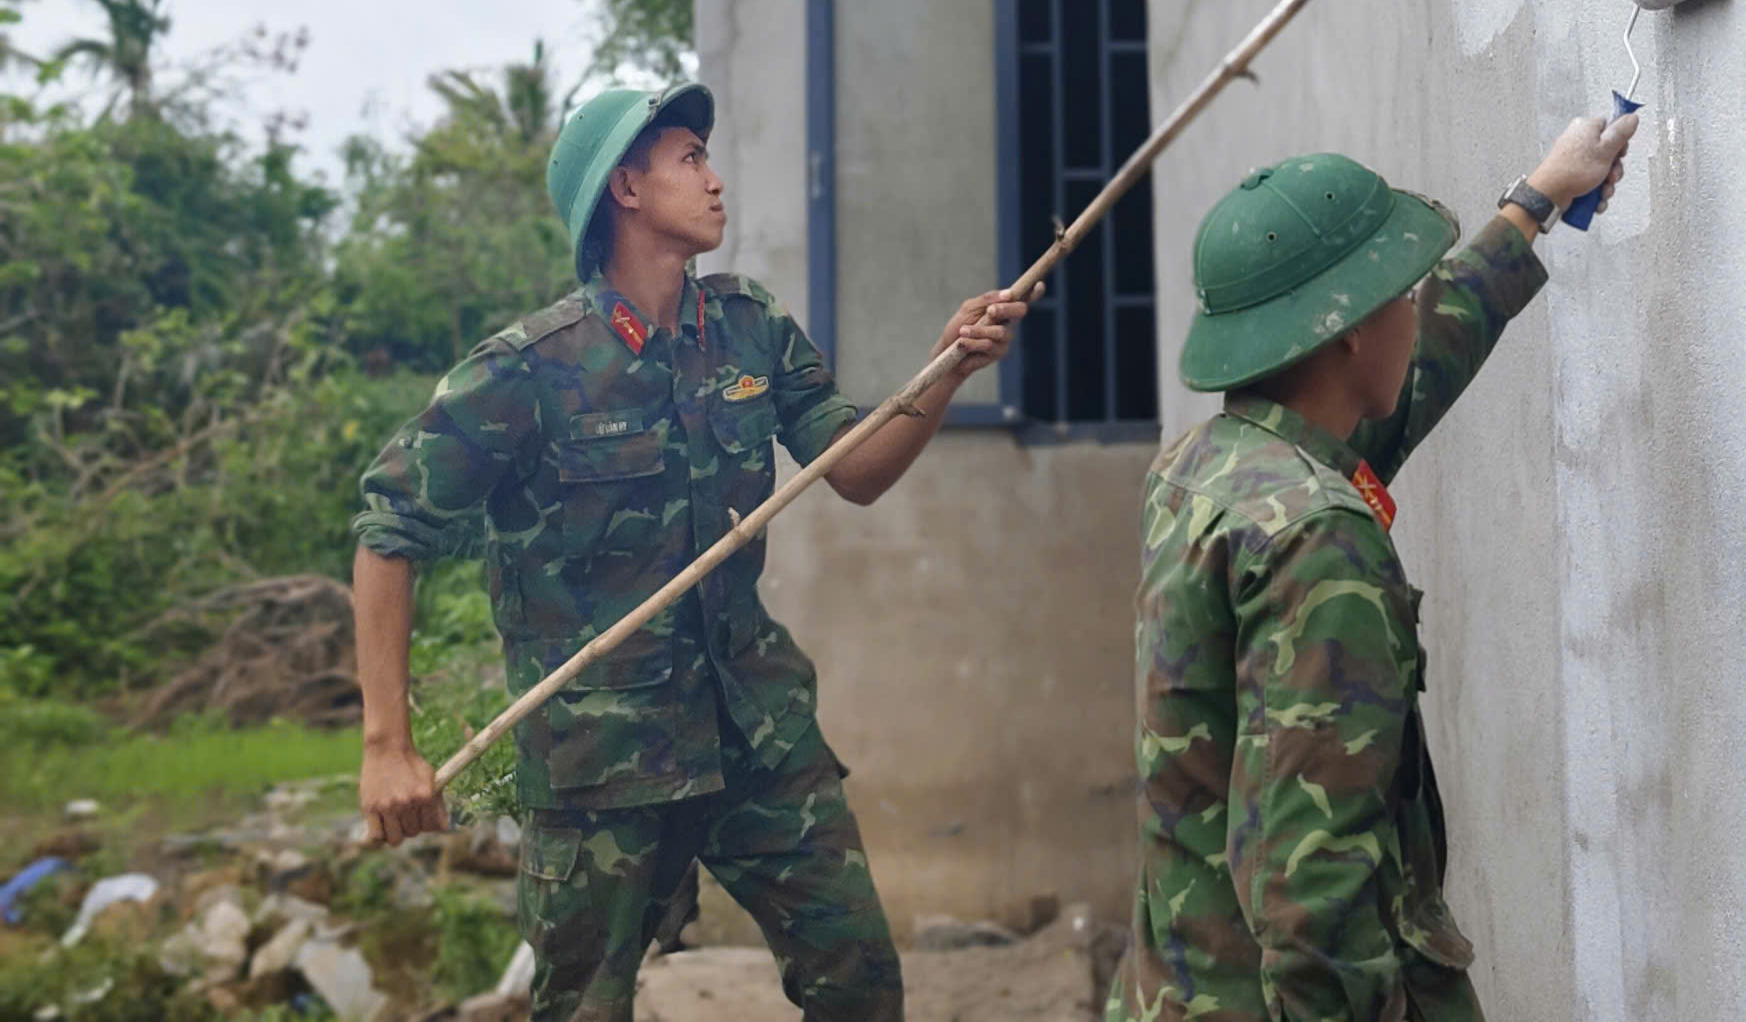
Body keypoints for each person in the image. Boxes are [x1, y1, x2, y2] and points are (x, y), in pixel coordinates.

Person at [350, 80, 1029, 1022]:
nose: (715, 180)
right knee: (584, 1009)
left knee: (861, 984)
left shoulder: (747, 326)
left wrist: (948, 367)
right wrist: (388, 747)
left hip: (756, 730)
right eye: (690, 160)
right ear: (627, 188)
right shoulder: (528, 370)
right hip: (601, 766)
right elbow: (389, 529)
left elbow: (855, 468)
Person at [1106, 113, 1637, 1021]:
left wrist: (1537, 201)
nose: (1414, 308)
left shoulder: (1211, 468)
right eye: (1402, 293)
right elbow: (1313, 879)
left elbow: (1418, 366)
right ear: (1347, 332)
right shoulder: (1319, 539)